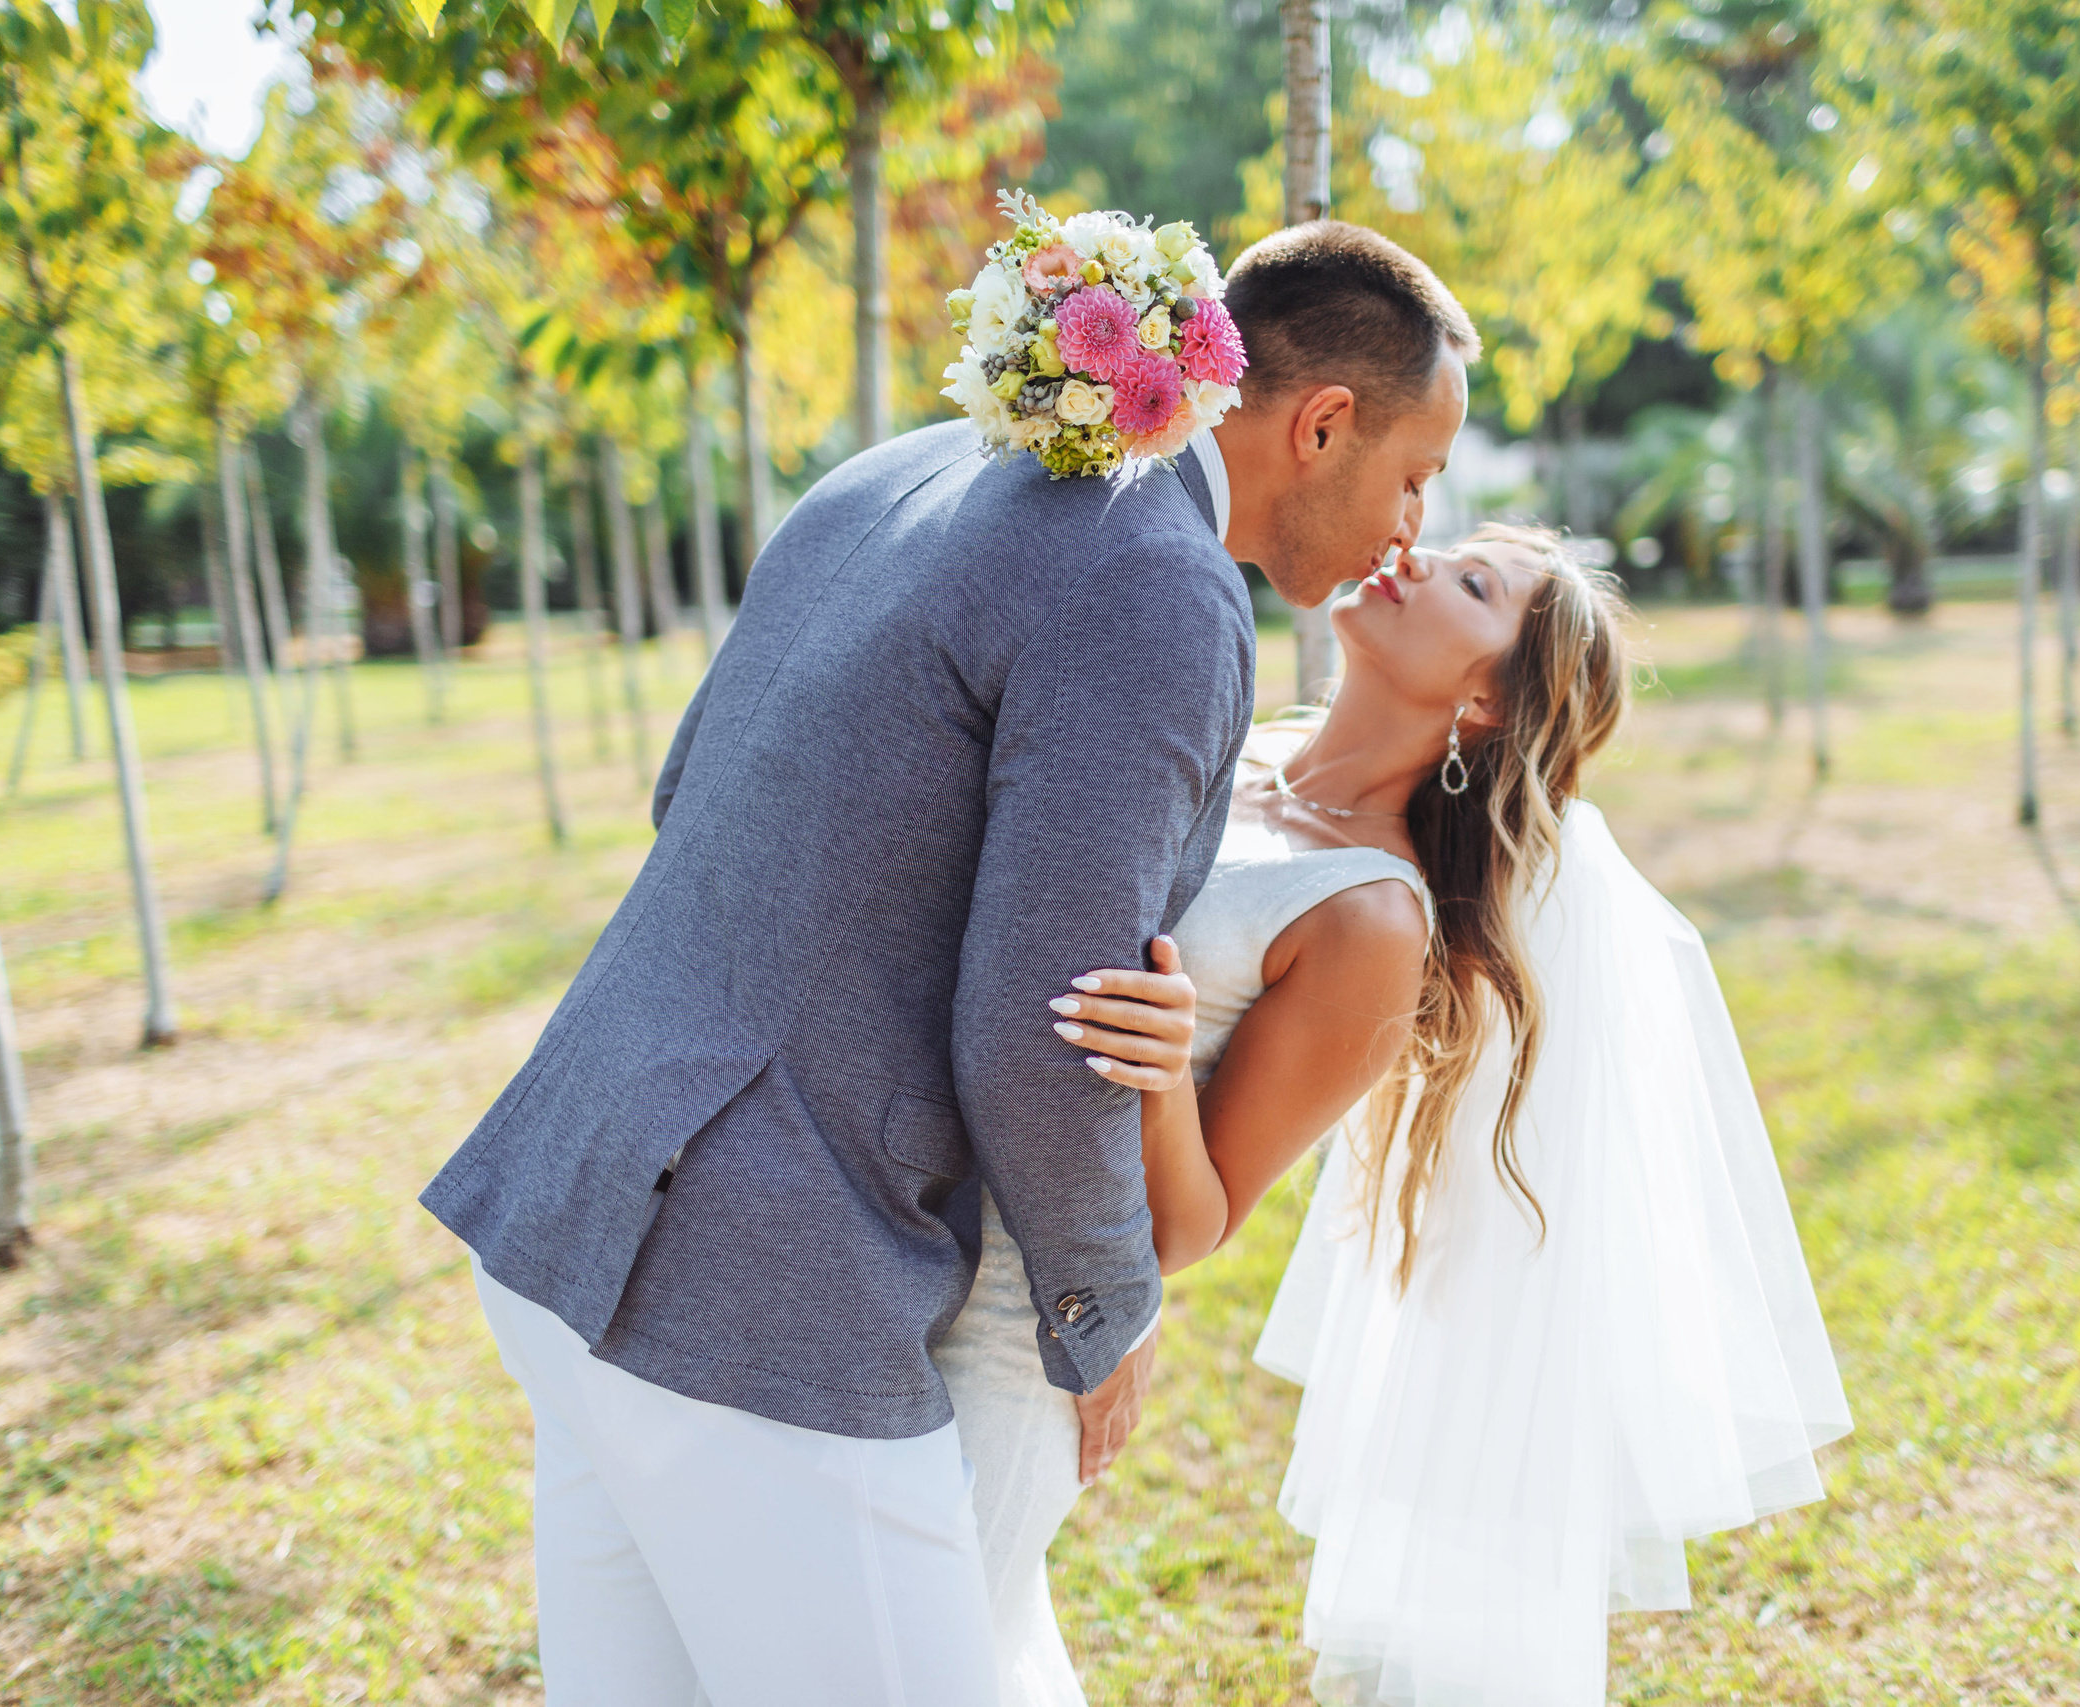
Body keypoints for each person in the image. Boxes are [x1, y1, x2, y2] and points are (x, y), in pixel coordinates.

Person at [418, 219, 1477, 1706]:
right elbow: (1045, 1022)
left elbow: (686, 788)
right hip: (756, 1298)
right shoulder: (1162, 585)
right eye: (1417, 473)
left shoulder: (908, 465)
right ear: (1321, 425)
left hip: (571, 1199)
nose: (1413, 522)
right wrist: (1101, 1308)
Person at [1025, 524, 1853, 1705]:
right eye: (1452, 546)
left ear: (1484, 703)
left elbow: (1194, 1223)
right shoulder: (1238, 744)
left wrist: (1159, 1075)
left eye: (1472, 584)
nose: (1413, 554)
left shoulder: (1373, 917)